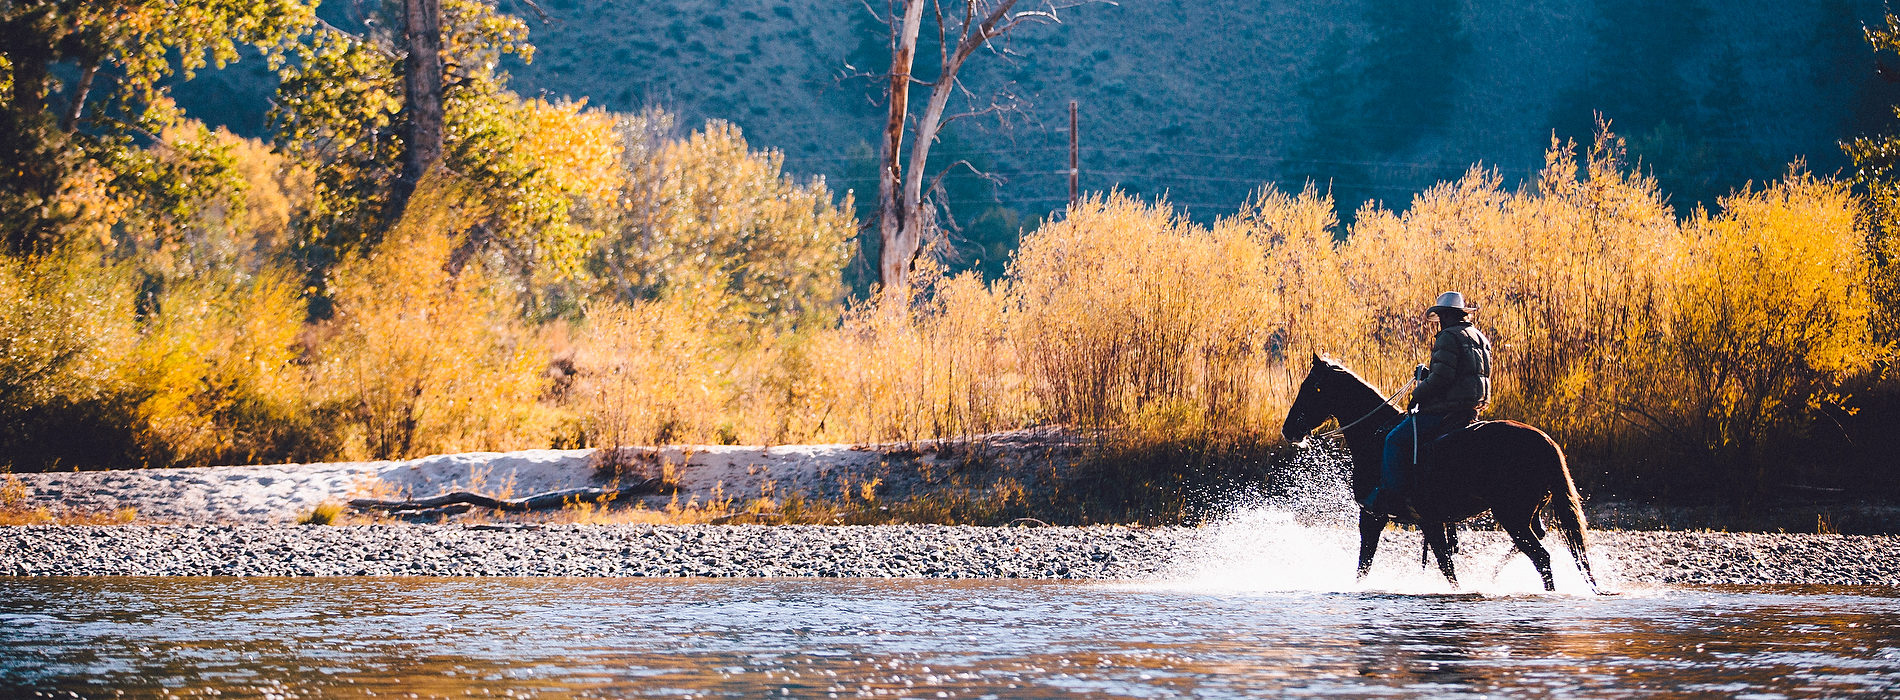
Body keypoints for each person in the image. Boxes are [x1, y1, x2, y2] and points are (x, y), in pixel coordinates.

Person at [1362, 291, 1493, 517]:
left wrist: (1418, 394)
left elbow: (1442, 378)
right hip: (1470, 409)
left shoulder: (1448, 337)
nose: (1440, 322)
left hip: (1445, 410)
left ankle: (1392, 497)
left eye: (1441, 316)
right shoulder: (1479, 336)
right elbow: (1462, 375)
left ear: (1447, 315)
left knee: (1394, 440)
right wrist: (1428, 375)